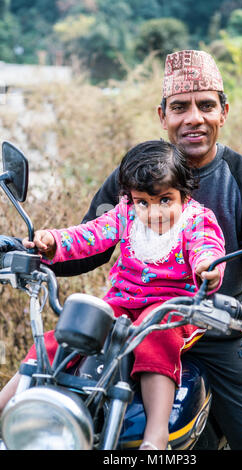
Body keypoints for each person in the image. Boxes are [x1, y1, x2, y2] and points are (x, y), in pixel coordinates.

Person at [0, 49, 242, 449]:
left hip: (217, 326)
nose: (194, 117)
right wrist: (33, 249)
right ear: (163, 116)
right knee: (61, 373)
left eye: (206, 105)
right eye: (180, 107)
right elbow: (92, 241)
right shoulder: (134, 177)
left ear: (223, 112)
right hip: (126, 322)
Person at [1, 140, 226, 450]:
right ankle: (6, 410)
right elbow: (89, 234)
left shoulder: (197, 221)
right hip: (122, 303)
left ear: (184, 193)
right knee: (64, 334)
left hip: (175, 308)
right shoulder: (125, 215)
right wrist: (52, 241)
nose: (153, 211)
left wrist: (206, 267)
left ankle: (156, 435)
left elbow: (208, 250)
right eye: (143, 202)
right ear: (131, 200)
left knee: (153, 337)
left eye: (165, 200)